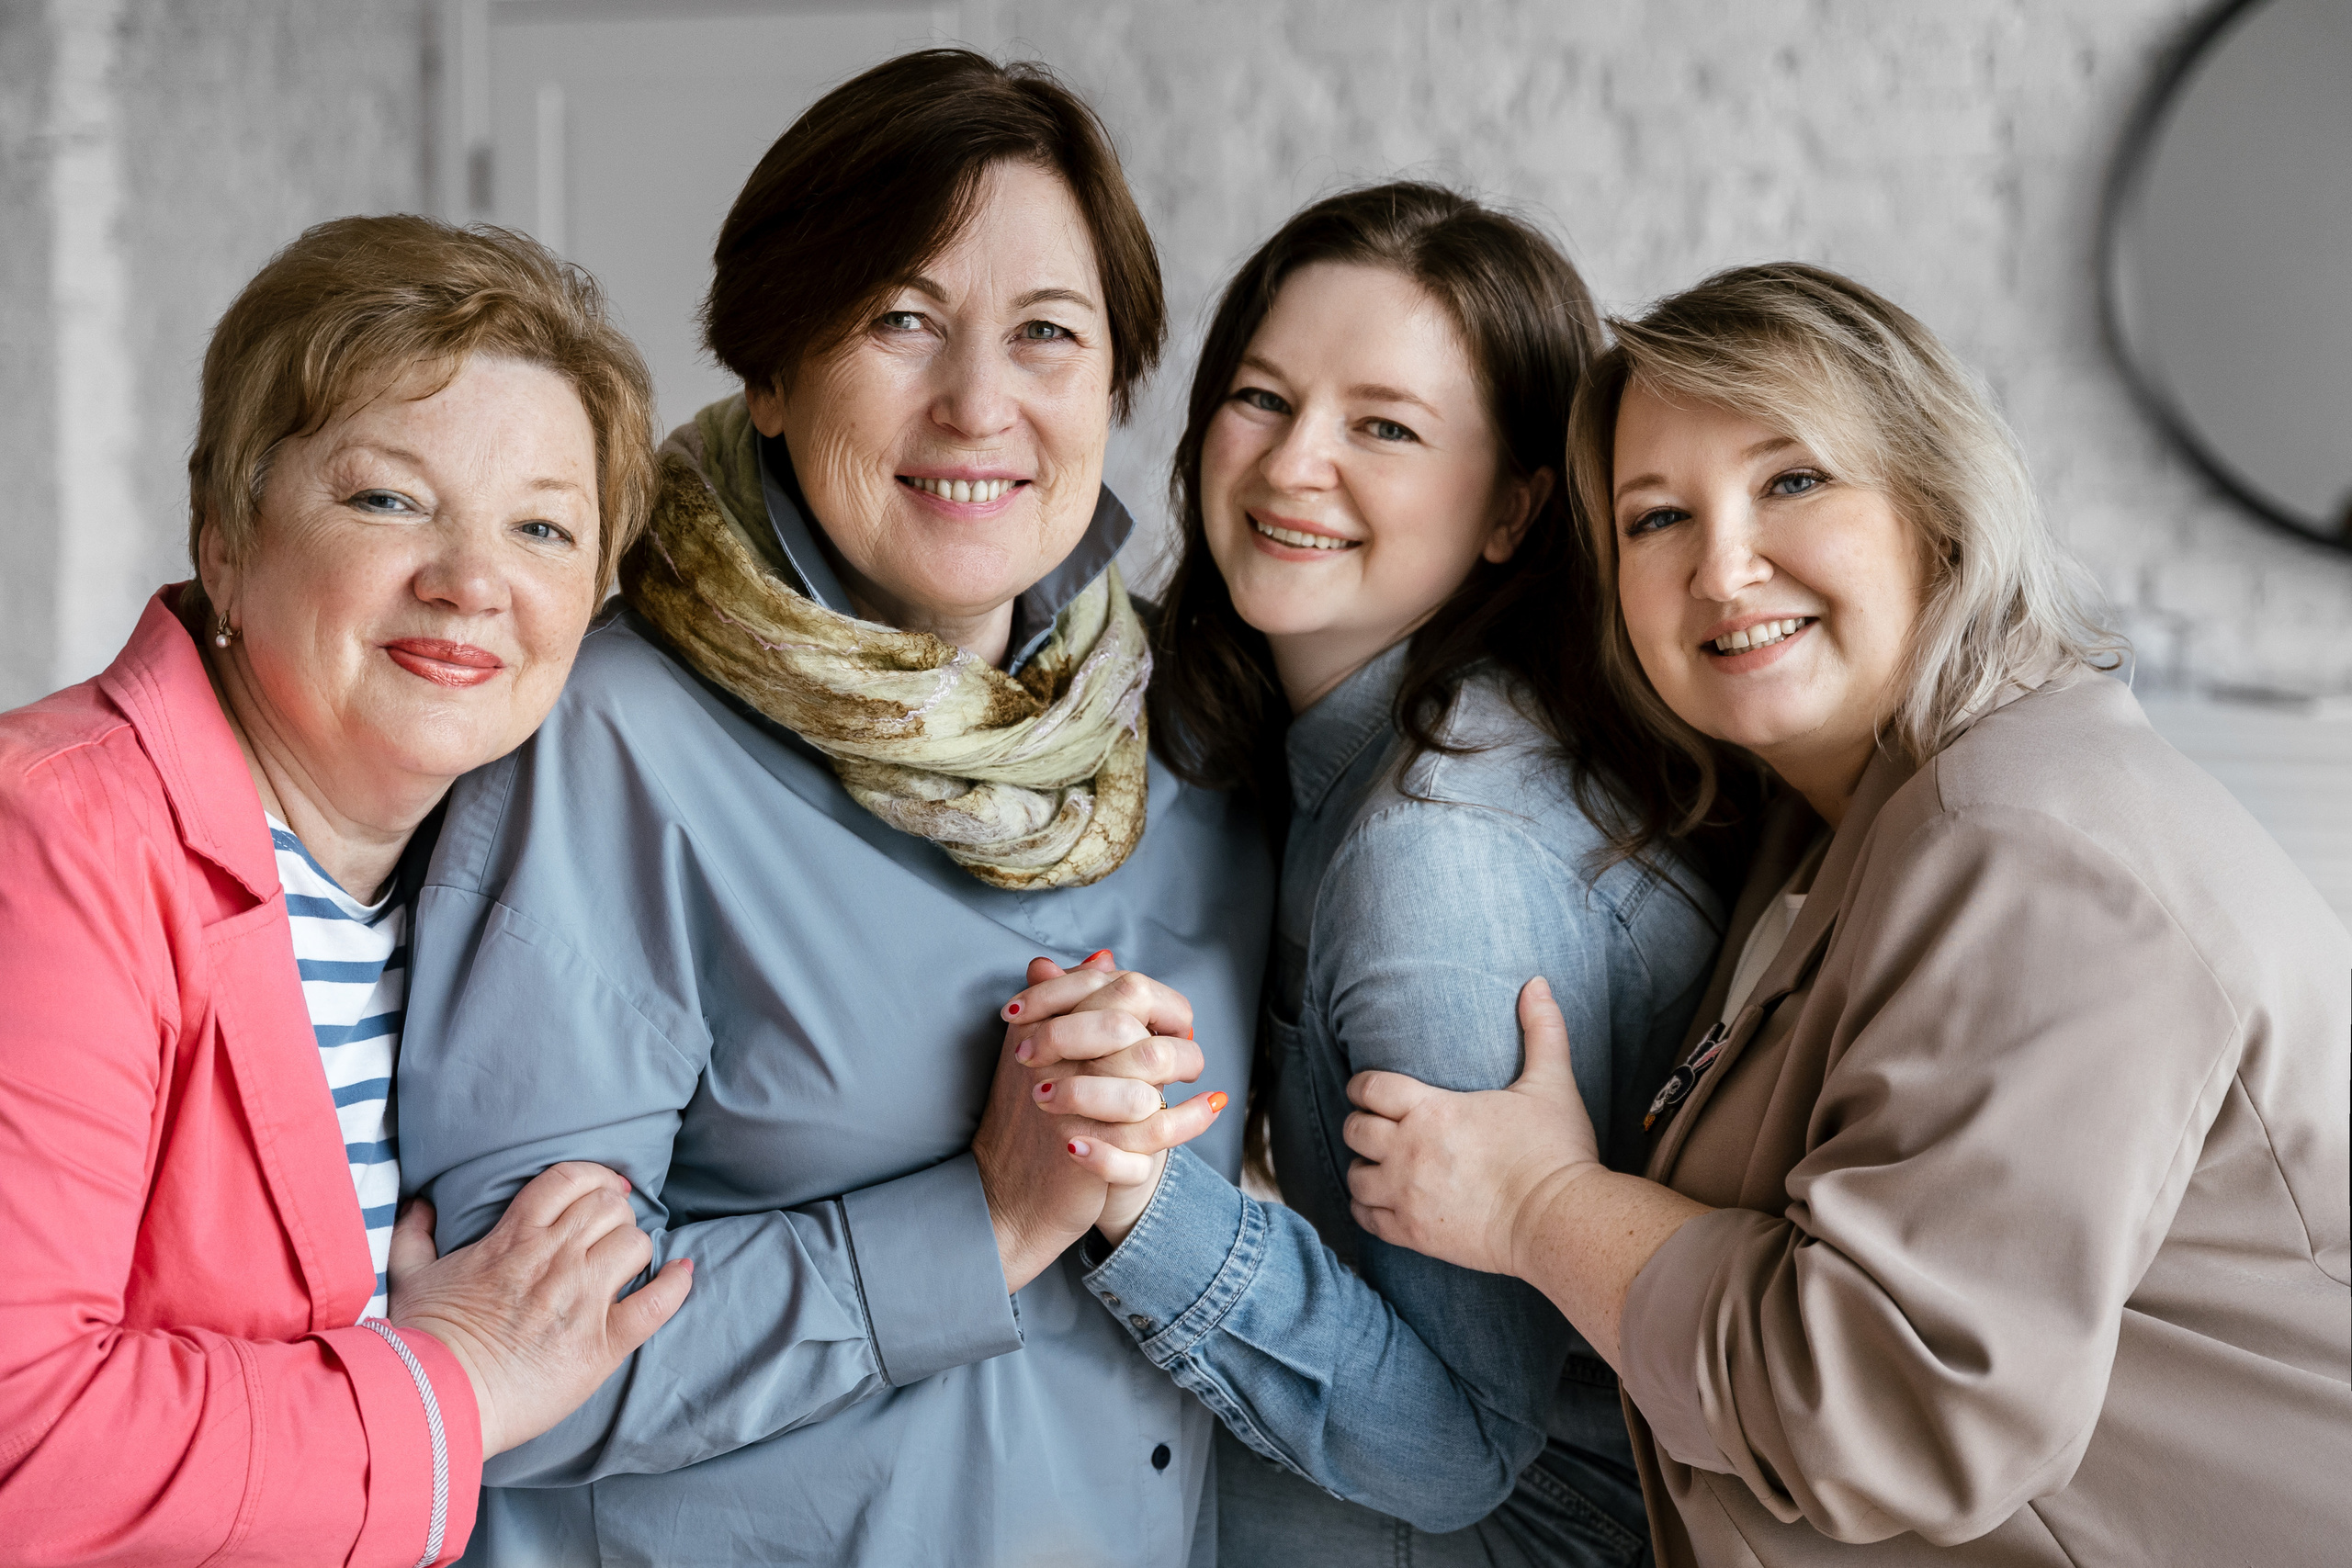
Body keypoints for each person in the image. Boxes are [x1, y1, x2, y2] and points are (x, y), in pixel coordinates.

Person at [393, 50, 1272, 1568]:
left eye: (1048, 333)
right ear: (773, 375)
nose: (979, 403)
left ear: (1115, 386)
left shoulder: (1188, 739)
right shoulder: (610, 744)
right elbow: (510, 1379)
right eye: (899, 320)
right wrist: (984, 1223)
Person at [1340, 263, 2352, 1566]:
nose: (1723, 567)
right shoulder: (1831, 827)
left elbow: (1895, 1404)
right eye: (1657, 518)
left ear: (1935, 507)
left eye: (1794, 481)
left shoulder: (2029, 848)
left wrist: (1537, 1207)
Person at [1002, 183, 1724, 1565]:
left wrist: (1139, 1193)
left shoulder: (1435, 863)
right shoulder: (1306, 734)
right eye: (1262, 399)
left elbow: (1459, 1450)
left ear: (1515, 508)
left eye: (1384, 427)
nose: (1293, 465)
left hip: (1551, 1520)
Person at [0, 215, 689, 1564]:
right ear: (224, 540)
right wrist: (451, 1384)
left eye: (542, 527)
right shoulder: (55, 841)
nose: (474, 581)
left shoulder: (493, 880)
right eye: (387, 501)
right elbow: (22, 1441)